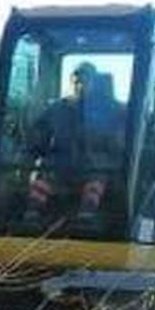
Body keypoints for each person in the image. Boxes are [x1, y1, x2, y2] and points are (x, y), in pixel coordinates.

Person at [25, 62, 127, 223]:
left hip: (95, 169)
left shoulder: (116, 111)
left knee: (94, 185)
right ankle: (30, 220)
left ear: (95, 82)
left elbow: (121, 148)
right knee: (41, 184)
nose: (80, 84)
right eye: (77, 80)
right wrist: (27, 153)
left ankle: (86, 219)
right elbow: (37, 139)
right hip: (60, 168)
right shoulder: (58, 109)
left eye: (85, 80)